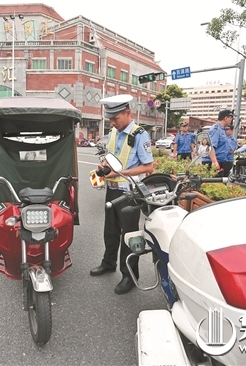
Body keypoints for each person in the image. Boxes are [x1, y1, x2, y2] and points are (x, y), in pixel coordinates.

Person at [90, 94, 154, 295]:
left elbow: (149, 167)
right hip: (112, 189)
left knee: (129, 236)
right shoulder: (113, 132)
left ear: (128, 113)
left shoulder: (139, 134)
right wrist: (104, 166)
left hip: (130, 193)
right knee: (110, 231)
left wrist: (120, 172)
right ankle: (108, 263)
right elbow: (111, 157)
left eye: (115, 118)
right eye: (110, 119)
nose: (112, 122)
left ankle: (129, 276)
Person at [202, 109, 234, 177]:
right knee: (213, 184)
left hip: (220, 161)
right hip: (213, 162)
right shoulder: (215, 129)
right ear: (226, 118)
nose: (231, 120)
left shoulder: (222, 129)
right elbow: (211, 146)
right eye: (230, 118)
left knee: (220, 184)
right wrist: (214, 161)